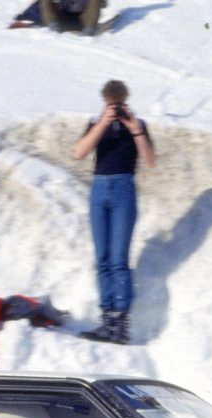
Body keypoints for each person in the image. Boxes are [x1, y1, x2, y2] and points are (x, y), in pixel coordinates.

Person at [72, 79, 156, 345]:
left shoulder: (137, 124)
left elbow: (150, 161)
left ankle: (120, 324)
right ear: (105, 102)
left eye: (119, 104)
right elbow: (79, 153)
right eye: (111, 104)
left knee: (118, 259)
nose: (116, 108)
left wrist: (135, 130)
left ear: (126, 100)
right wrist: (103, 123)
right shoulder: (96, 123)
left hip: (123, 187)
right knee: (102, 259)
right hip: (99, 188)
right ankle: (107, 320)